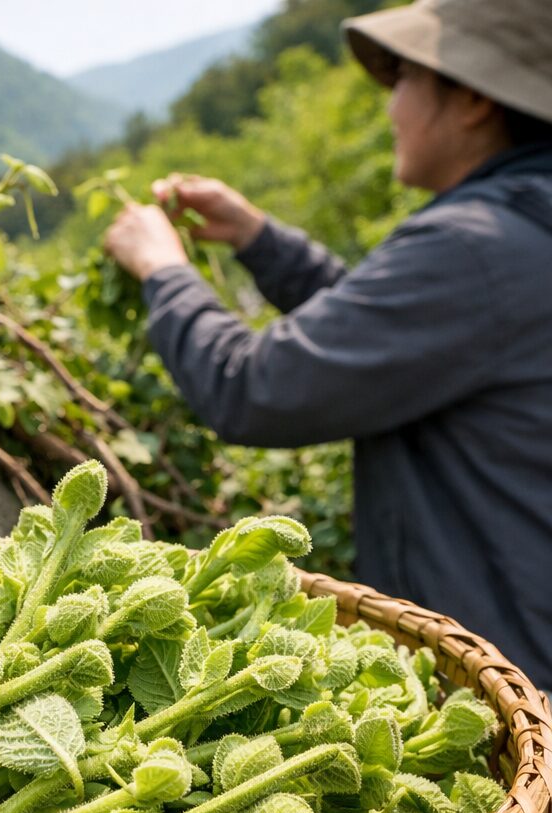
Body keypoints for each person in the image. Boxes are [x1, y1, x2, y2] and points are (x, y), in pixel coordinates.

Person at [104, 0, 552, 688]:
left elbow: (253, 388)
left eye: (404, 77)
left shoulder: (474, 248)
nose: (391, 105)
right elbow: (392, 347)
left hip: (509, 680)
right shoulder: (521, 230)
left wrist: (164, 270)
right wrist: (259, 239)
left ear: (471, 99)